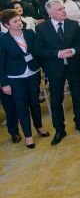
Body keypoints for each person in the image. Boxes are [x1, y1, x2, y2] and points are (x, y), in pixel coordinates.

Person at [34, 0, 80, 146]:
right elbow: (38, 50)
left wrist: (74, 50)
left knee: (78, 96)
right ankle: (59, 129)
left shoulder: (73, 24)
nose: (63, 11)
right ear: (50, 13)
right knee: (56, 100)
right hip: (54, 69)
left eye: (63, 8)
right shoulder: (41, 28)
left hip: (74, 66)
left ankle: (79, 122)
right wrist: (57, 54)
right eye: (59, 9)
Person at [0, 9, 50, 149]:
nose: (19, 23)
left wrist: (44, 70)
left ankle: (39, 127)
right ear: (7, 25)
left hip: (33, 73)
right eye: (15, 21)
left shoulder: (29, 33)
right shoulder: (3, 40)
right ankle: (28, 135)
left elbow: (37, 52)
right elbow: (0, 64)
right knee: (22, 107)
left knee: (35, 103)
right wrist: (4, 83)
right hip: (15, 78)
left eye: (19, 19)